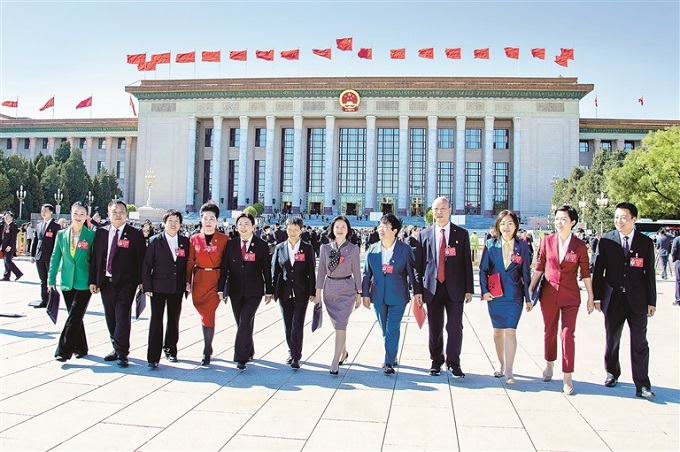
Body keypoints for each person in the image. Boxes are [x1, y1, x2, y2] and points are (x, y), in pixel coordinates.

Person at [591, 202, 657, 399]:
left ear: (633, 219)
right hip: (614, 299)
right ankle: (612, 373)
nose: (619, 221)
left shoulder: (645, 242)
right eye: (616, 217)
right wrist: (597, 297)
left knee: (640, 342)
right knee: (612, 339)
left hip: (638, 300)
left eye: (624, 217)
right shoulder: (606, 240)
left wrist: (652, 301)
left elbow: (650, 273)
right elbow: (598, 271)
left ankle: (642, 384)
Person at [528, 204, 594, 395]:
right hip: (549, 293)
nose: (559, 222)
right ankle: (549, 363)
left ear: (573, 222)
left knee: (567, 334)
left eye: (564, 219)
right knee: (549, 331)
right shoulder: (547, 241)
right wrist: (530, 289)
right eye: (557, 219)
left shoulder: (579, 245)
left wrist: (591, 296)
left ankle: (567, 375)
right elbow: (539, 266)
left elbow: (585, 273)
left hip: (570, 295)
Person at [415, 197, 474, 377]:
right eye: (436, 208)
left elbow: (467, 263)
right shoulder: (424, 235)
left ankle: (454, 363)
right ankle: (436, 361)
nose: (439, 212)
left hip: (455, 288)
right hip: (432, 289)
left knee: (455, 327)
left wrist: (469, 289)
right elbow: (418, 267)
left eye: (443, 208)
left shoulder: (461, 234)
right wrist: (417, 291)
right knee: (435, 327)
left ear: (450, 210)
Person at [361, 214, 421, 374]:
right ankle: (392, 354)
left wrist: (417, 292)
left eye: (385, 227)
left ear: (394, 231)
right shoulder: (373, 249)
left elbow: (413, 273)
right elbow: (366, 274)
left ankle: (388, 362)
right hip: (378, 296)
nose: (381, 230)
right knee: (384, 329)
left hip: (398, 296)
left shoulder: (405, 250)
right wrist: (365, 294)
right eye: (380, 226)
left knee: (392, 328)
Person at [89, 200, 146, 368]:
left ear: (126, 214)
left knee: (122, 317)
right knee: (110, 317)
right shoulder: (101, 233)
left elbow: (141, 259)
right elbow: (96, 258)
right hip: (106, 282)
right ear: (109, 214)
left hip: (126, 283)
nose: (118, 214)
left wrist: (142, 282)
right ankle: (116, 347)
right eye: (115, 211)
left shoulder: (135, 234)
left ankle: (122, 353)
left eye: (121, 211)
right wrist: (93, 280)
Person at [479, 210, 532, 384]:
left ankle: (509, 370)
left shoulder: (522, 246)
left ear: (516, 226)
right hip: (496, 296)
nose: (506, 227)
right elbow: (483, 270)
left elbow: (526, 273)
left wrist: (528, 298)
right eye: (503, 223)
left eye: (510, 223)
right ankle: (500, 364)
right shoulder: (490, 245)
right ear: (498, 226)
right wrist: (484, 290)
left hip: (515, 296)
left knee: (510, 331)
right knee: (497, 331)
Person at [222, 212, 273, 370]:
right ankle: (249, 350)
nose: (243, 227)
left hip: (254, 291)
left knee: (245, 320)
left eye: (247, 224)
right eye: (240, 224)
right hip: (235, 290)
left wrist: (269, 290)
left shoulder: (261, 245)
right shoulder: (231, 244)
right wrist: (220, 289)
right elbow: (224, 268)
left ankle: (240, 357)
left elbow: (266, 269)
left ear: (253, 226)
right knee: (241, 322)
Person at [142, 210, 190, 368]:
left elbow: (187, 265)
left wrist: (187, 282)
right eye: (170, 221)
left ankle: (171, 349)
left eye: (176, 221)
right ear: (164, 223)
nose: (173, 224)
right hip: (158, 287)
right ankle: (153, 357)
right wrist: (147, 286)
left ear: (180, 224)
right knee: (156, 320)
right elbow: (146, 265)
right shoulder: (155, 241)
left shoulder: (184, 241)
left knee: (173, 320)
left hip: (177, 287)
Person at [315, 215, 362, 375]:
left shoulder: (353, 249)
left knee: (341, 324)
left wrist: (359, 292)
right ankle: (343, 352)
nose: (340, 230)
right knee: (338, 326)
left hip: (347, 289)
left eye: (343, 227)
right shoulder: (325, 248)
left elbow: (357, 272)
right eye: (337, 227)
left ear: (348, 230)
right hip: (330, 289)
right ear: (332, 229)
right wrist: (318, 294)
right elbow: (321, 273)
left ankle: (335, 361)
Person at [49, 202, 96, 362]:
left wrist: (94, 281)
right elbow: (55, 257)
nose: (78, 217)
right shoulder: (62, 234)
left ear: (86, 216)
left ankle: (63, 351)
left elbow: (95, 261)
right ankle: (81, 347)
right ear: (70, 213)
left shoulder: (91, 236)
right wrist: (51, 279)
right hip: (67, 281)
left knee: (74, 316)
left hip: (84, 282)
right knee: (75, 316)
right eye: (76, 213)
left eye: (82, 214)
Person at [185, 202, 229, 366]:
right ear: (201, 219)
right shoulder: (194, 239)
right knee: (202, 312)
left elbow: (226, 264)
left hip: (215, 280)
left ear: (217, 220)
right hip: (199, 279)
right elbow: (190, 262)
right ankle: (208, 345)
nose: (208, 221)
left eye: (212, 218)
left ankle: (207, 349)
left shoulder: (224, 239)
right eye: (205, 218)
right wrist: (187, 281)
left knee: (208, 314)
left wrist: (224, 285)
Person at [271, 217, 316, 369]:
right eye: (290, 229)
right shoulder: (280, 248)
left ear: (301, 230)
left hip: (301, 291)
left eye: (296, 230)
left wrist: (312, 291)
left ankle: (296, 356)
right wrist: (271, 291)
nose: (292, 232)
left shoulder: (307, 248)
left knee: (297, 324)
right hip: (284, 291)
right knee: (288, 325)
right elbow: (275, 271)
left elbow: (311, 270)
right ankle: (291, 350)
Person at [30, 204, 61, 307]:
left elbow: (58, 243)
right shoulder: (39, 225)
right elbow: (35, 241)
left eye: (45, 211)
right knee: (43, 280)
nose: (43, 213)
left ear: (51, 212)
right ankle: (44, 300)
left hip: (50, 257)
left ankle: (52, 301)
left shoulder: (56, 226)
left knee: (50, 280)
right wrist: (32, 255)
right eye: (42, 210)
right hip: (39, 256)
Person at [1, 211, 23, 281]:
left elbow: (13, 237)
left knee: (8, 261)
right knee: (5, 261)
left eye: (8, 217)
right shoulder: (6, 225)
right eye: (5, 217)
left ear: (11, 218)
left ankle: (18, 273)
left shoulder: (13, 226)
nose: (6, 218)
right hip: (4, 246)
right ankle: (6, 276)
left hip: (9, 246)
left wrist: (10, 246)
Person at [672, 233, 680, 306]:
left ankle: (678, 300)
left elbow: (674, 251)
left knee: (678, 281)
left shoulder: (677, 239)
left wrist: (674, 259)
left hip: (679, 261)